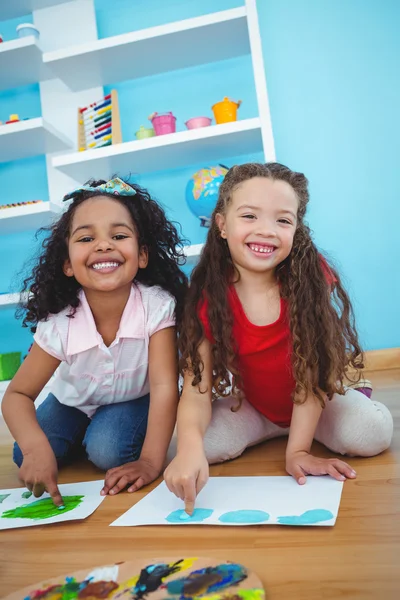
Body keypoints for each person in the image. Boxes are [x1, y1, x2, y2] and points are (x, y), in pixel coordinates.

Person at [164, 162, 393, 514]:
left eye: (282, 220)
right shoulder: (208, 296)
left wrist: (298, 452)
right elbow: (197, 390)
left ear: (297, 229)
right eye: (250, 216)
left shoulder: (309, 280)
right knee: (188, 446)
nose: (267, 231)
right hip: (255, 406)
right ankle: (275, 431)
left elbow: (310, 373)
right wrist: (190, 448)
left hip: (315, 395)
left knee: (371, 433)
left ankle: (350, 395)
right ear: (222, 225)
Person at [2, 177, 187, 507]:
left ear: (142, 255)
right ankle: (78, 434)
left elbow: (163, 387)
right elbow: (17, 394)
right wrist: (35, 448)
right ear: (68, 264)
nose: (103, 245)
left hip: (134, 398)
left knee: (108, 450)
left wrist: (150, 462)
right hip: (72, 402)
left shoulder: (157, 305)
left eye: (118, 236)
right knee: (24, 454)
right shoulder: (60, 320)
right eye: (87, 238)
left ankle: (93, 437)